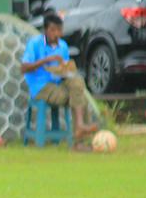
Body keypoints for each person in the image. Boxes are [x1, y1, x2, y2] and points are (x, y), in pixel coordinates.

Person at [20, 12, 98, 144]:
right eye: (53, 30)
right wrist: (46, 59)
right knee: (78, 98)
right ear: (45, 30)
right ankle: (79, 141)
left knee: (78, 81)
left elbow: (64, 70)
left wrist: (66, 68)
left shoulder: (62, 45)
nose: (56, 34)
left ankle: (80, 127)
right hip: (40, 86)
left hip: (58, 81)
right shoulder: (34, 43)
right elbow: (24, 67)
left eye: (59, 30)